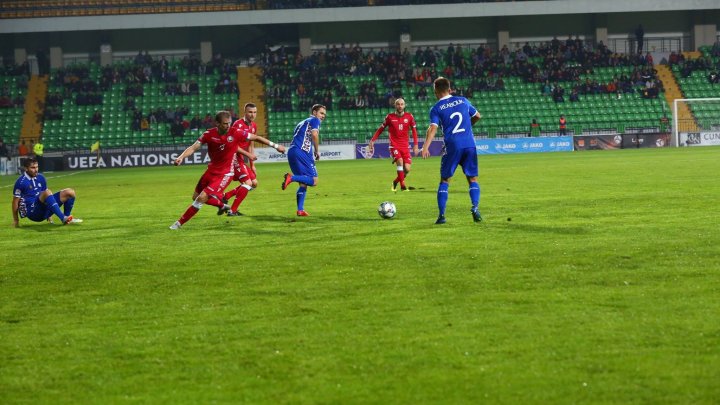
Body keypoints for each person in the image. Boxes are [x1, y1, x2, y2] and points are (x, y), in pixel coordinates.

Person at [169, 111, 285, 229]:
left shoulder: (235, 132)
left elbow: (255, 137)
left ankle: (178, 224)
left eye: (229, 123)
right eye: (225, 124)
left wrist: (275, 146)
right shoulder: (209, 134)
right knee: (195, 197)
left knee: (201, 198)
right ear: (217, 123)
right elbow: (194, 147)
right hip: (210, 171)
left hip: (225, 174)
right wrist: (181, 157)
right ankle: (222, 205)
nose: (228, 126)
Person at [421, 77, 482, 224]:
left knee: (445, 180)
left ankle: (442, 216)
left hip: (453, 145)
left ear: (435, 92)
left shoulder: (436, 108)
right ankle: (475, 208)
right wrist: (468, 127)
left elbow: (433, 128)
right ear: (450, 89)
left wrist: (425, 147)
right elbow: (478, 116)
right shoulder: (463, 100)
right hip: (469, 144)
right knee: (472, 179)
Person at [281, 104, 326, 217]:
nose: (323, 116)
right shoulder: (315, 120)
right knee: (314, 180)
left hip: (292, 151)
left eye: (324, 114)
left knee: (303, 183)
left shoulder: (302, 122)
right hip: (302, 152)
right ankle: (291, 178)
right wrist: (316, 151)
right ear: (314, 112)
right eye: (321, 113)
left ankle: (300, 210)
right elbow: (315, 135)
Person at [12, 157, 82, 228]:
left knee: (70, 192)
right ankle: (62, 217)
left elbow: (47, 197)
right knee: (47, 192)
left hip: (44, 209)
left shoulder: (41, 178)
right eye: (32, 168)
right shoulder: (21, 182)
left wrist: (49, 215)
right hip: (33, 212)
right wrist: (16, 220)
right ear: (26, 169)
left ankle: (67, 218)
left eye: (37, 167)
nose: (36, 170)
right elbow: (15, 202)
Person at [368, 98, 419, 192]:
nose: (400, 106)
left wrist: (416, 145)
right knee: (399, 161)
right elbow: (380, 129)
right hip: (394, 146)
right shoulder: (390, 117)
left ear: (404, 105)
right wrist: (373, 140)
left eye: (402, 104)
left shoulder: (409, 117)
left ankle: (395, 182)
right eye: (398, 104)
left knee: (407, 169)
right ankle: (403, 186)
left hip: (405, 146)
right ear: (395, 105)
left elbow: (414, 131)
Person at [222, 103, 261, 216]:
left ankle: (226, 196)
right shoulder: (237, 125)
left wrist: (252, 164)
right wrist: (248, 155)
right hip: (232, 156)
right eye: (250, 112)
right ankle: (232, 210)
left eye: (254, 112)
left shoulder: (253, 126)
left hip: (241, 157)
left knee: (254, 183)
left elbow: (251, 145)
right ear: (245, 112)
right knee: (248, 182)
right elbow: (233, 145)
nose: (252, 114)